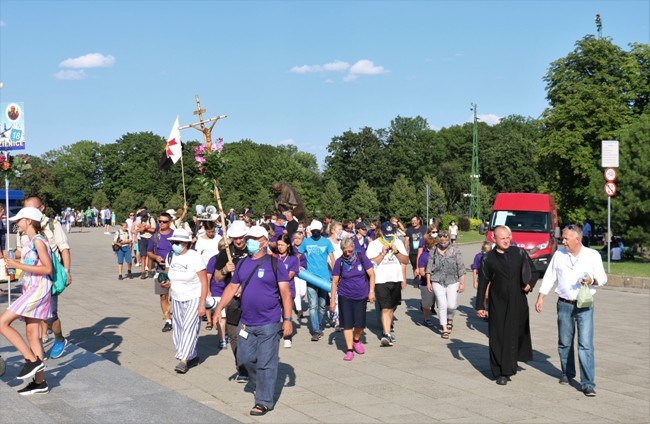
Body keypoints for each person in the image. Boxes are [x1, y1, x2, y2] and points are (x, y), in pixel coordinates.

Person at [213, 225, 293, 416]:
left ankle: (263, 401)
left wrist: (288, 319)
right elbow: (232, 288)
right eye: (248, 238)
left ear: (264, 241)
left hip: (269, 322)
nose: (249, 241)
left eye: (254, 238)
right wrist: (218, 309)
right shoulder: (242, 263)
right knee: (244, 359)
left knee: (266, 362)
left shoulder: (275, 264)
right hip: (246, 323)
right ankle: (259, 382)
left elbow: (285, 293)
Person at [535, 224, 607, 397]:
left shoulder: (592, 255)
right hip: (564, 304)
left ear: (578, 238)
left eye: (566, 238)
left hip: (584, 305)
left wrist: (592, 280)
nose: (563, 241)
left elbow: (603, 278)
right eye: (563, 238)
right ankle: (567, 373)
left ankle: (588, 383)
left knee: (585, 345)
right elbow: (550, 276)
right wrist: (541, 297)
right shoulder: (559, 255)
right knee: (565, 342)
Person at [0, 207, 52, 395]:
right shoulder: (30, 242)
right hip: (31, 288)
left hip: (38, 289)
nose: (16, 223)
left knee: (2, 323)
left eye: (19, 220)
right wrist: (10, 258)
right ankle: (40, 382)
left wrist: (16, 264)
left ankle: (31, 360)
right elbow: (18, 256)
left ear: (29, 221)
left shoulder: (39, 241)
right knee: (32, 334)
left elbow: (48, 268)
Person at [476, 226, 536, 385]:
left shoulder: (519, 253)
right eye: (502, 238)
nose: (506, 240)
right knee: (498, 336)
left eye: (508, 237)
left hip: (518, 301)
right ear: (494, 239)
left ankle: (510, 365)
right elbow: (483, 283)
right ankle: (500, 371)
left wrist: (529, 284)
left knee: (513, 333)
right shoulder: (488, 258)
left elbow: (533, 272)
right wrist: (480, 306)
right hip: (498, 302)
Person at [17, 196, 72, 360]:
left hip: (49, 277)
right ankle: (38, 349)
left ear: (42, 208)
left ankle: (59, 338)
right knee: (33, 314)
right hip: (30, 279)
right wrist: (9, 255)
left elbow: (64, 249)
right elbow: (21, 251)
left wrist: (67, 271)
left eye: (32, 209)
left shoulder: (53, 225)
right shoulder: (22, 228)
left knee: (49, 315)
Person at [158, 229, 208, 374]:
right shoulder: (171, 255)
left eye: (178, 242)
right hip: (177, 297)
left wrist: (202, 303)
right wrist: (166, 283)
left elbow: (204, 282)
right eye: (173, 242)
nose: (175, 245)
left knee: (189, 328)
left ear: (186, 243)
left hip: (193, 297)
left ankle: (183, 360)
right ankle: (192, 356)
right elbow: (168, 274)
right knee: (178, 328)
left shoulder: (195, 257)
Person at [210, 220, 250, 382]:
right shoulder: (226, 252)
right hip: (232, 300)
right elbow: (217, 278)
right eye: (235, 238)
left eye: (241, 238)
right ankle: (241, 367)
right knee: (234, 335)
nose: (239, 241)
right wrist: (226, 269)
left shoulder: (253, 250)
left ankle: (251, 363)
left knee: (249, 335)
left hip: (250, 298)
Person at [330, 237, 375, 360]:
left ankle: (356, 340)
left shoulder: (361, 258)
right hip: (345, 295)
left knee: (360, 324)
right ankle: (349, 350)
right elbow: (334, 282)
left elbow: (371, 275)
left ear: (353, 248)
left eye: (349, 251)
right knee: (347, 324)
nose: (347, 253)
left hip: (361, 295)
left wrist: (371, 292)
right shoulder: (339, 262)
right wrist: (332, 301)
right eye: (345, 251)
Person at [366, 221, 409, 346]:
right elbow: (370, 263)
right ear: (381, 232)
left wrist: (397, 252)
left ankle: (388, 331)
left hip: (395, 279)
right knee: (385, 308)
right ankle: (386, 334)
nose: (389, 237)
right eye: (386, 234)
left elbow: (405, 260)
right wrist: (382, 253)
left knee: (392, 307)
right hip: (380, 280)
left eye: (391, 234)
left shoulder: (398, 242)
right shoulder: (374, 245)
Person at [425, 231, 466, 339]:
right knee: (442, 304)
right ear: (438, 240)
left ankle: (450, 319)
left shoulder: (455, 250)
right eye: (441, 241)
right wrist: (428, 282)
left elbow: (461, 267)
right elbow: (429, 267)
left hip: (453, 280)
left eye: (446, 241)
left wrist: (462, 283)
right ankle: (444, 328)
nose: (443, 243)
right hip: (437, 280)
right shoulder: (434, 250)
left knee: (451, 305)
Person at [298, 219, 334, 342]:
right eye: (313, 231)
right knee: (313, 305)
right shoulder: (306, 242)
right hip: (311, 278)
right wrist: (297, 266)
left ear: (321, 230)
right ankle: (316, 330)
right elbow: (298, 256)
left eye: (317, 231)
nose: (315, 233)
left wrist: (335, 274)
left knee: (322, 306)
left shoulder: (327, 242)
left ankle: (318, 324)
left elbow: (332, 259)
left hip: (324, 278)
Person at [147, 212, 174, 332]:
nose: (162, 224)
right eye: (160, 221)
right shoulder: (155, 237)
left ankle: (178, 318)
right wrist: (155, 257)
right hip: (161, 269)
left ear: (170, 222)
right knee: (163, 295)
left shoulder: (175, 235)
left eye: (164, 221)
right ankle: (168, 320)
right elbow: (148, 252)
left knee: (178, 296)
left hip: (176, 269)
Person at [276, 233, 300, 348]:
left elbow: (289, 275)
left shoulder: (293, 258)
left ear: (288, 245)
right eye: (278, 245)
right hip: (275, 290)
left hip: (289, 290)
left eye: (282, 245)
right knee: (276, 312)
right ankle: (276, 332)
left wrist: (278, 276)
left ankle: (287, 336)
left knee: (286, 312)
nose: (280, 247)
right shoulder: (274, 257)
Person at [405, 216, 427, 287]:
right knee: (415, 266)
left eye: (414, 220)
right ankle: (416, 280)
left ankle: (424, 279)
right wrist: (406, 251)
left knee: (424, 266)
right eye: (412, 221)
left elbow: (428, 237)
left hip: (423, 251)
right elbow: (406, 240)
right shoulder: (409, 230)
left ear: (418, 221)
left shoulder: (424, 228)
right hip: (413, 252)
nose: (413, 222)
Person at [136, 209, 156, 279]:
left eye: (144, 216)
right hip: (142, 239)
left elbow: (153, 230)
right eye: (142, 216)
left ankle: (150, 270)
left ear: (147, 215)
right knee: (143, 256)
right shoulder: (139, 220)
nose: (143, 218)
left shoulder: (151, 219)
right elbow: (137, 229)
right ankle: (143, 272)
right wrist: (147, 227)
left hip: (150, 238)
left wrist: (144, 228)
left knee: (150, 255)